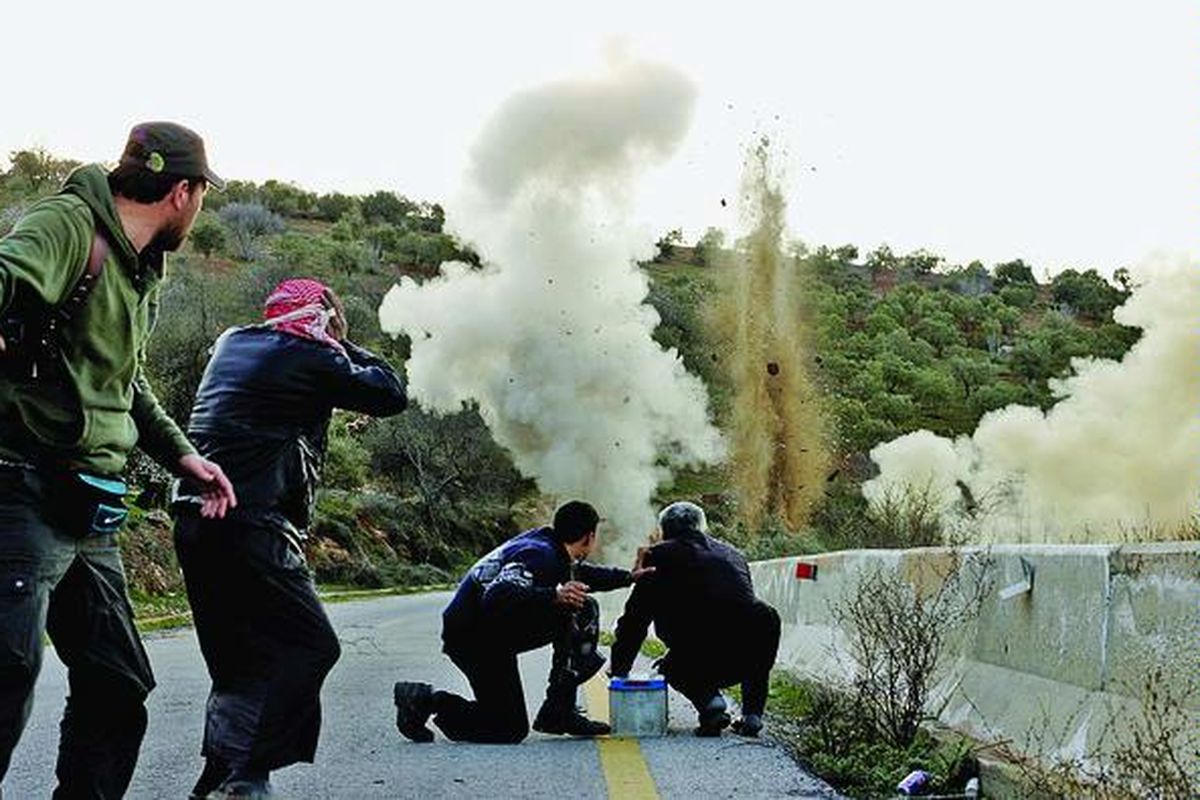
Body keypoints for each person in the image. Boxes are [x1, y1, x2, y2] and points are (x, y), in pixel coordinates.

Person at [0, 121, 237, 798]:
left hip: (88, 505)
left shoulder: (138, 269)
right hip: (19, 488)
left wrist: (184, 457)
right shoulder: (68, 225)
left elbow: (123, 384)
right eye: (202, 197)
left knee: (116, 682)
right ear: (183, 193)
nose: (199, 209)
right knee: (4, 678)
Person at [171, 278, 408, 799]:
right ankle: (250, 772)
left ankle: (219, 773)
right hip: (252, 521)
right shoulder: (313, 356)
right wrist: (343, 339)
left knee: (236, 658)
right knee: (311, 645)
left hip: (193, 518)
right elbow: (391, 394)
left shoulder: (234, 339)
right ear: (322, 318)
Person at [393, 500, 651, 744]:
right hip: (474, 640)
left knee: (579, 606)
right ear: (589, 537)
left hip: (485, 632)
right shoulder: (539, 554)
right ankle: (425, 700)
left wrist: (629, 577)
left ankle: (558, 711)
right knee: (507, 729)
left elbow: (583, 575)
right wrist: (554, 595)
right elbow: (497, 595)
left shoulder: (548, 546)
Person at [610, 501, 781, 737]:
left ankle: (711, 703)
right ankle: (752, 715)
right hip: (747, 658)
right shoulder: (734, 554)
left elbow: (635, 619)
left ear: (665, 530)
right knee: (758, 621)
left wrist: (620, 669)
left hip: (696, 657)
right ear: (701, 527)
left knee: (669, 666)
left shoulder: (657, 555)